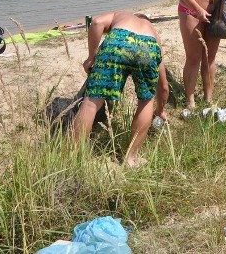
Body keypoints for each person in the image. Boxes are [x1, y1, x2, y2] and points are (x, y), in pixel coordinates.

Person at [71, 11, 166, 167]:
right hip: (147, 46)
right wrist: (161, 110)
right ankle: (130, 159)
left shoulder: (121, 14)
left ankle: (73, 157)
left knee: (91, 102)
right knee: (146, 100)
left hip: (118, 41)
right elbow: (163, 87)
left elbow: (96, 23)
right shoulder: (153, 33)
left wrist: (91, 57)